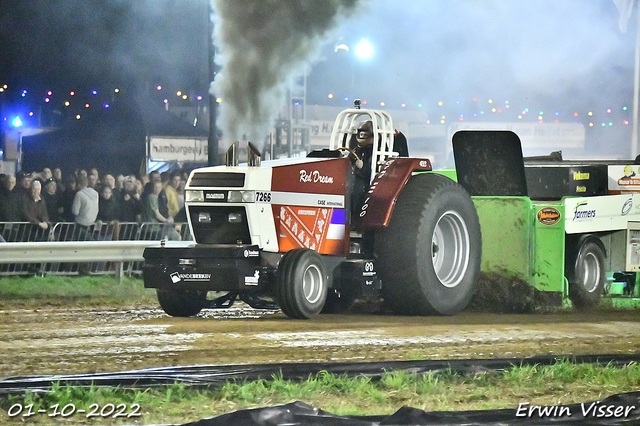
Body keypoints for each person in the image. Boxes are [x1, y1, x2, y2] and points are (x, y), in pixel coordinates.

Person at [350, 120, 375, 222]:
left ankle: (355, 219)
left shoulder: (374, 151)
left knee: (357, 190)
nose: (362, 137)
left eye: (365, 135)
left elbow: (375, 167)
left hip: (366, 179)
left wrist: (362, 167)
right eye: (361, 134)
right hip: (354, 176)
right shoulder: (357, 149)